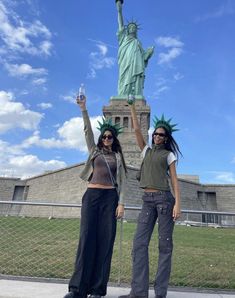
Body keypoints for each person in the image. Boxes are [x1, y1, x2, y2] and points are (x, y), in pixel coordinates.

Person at [64, 95, 127, 298]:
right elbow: (87, 131)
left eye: (110, 137)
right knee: (86, 240)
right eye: (104, 137)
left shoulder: (118, 157)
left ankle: (98, 290)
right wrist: (83, 109)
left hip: (110, 199)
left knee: (105, 242)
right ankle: (77, 289)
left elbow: (123, 181)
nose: (106, 139)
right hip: (91, 195)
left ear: (114, 140)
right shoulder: (94, 151)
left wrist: (121, 203)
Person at [119, 101, 182, 298]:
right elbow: (138, 129)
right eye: (155, 133)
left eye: (161, 135)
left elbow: (173, 179)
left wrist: (178, 204)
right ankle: (138, 292)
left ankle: (160, 294)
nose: (156, 136)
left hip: (165, 201)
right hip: (147, 200)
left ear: (166, 138)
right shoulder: (146, 150)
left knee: (164, 247)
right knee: (139, 244)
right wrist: (131, 108)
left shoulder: (168, 155)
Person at [116, 0, 154, 97]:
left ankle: (135, 94)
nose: (132, 28)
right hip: (125, 62)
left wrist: (148, 53)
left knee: (136, 78)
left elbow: (143, 58)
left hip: (136, 65)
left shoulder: (138, 43)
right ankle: (123, 94)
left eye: (134, 27)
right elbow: (120, 23)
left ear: (136, 30)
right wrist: (119, 10)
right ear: (127, 29)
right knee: (124, 78)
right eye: (130, 27)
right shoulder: (123, 38)